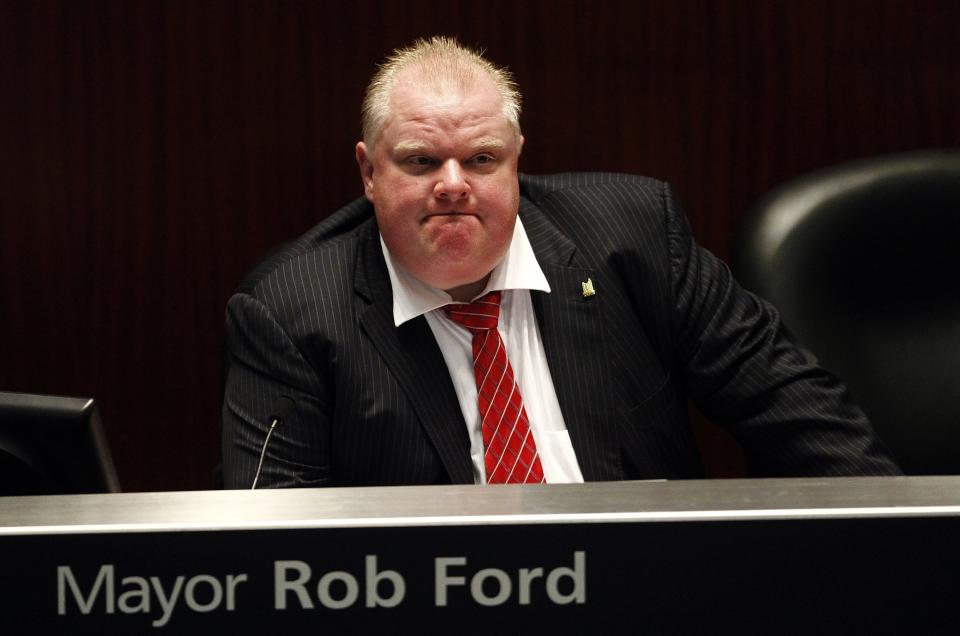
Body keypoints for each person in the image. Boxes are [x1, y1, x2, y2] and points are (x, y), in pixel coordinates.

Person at [221, 36, 900, 489]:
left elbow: (795, 409)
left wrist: (899, 549)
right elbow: (274, 540)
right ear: (369, 173)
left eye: (482, 159)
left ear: (517, 159)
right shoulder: (292, 312)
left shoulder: (631, 237)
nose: (453, 184)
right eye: (422, 162)